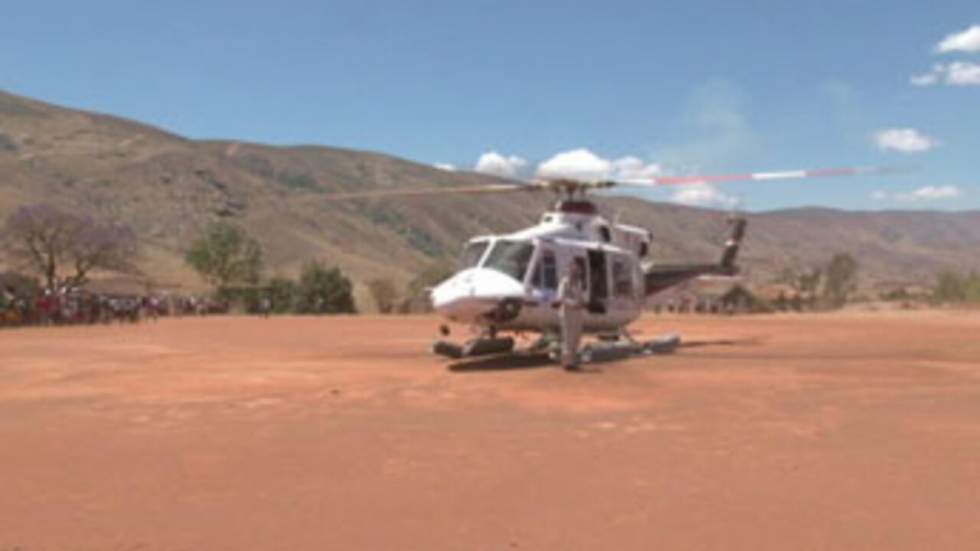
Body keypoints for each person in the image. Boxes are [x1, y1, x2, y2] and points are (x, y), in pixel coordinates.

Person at [556, 260, 586, 371]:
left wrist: (582, 303)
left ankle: (573, 361)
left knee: (576, 337)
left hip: (578, 313)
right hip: (567, 312)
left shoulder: (579, 283)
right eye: (574, 269)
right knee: (568, 337)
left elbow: (581, 297)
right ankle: (567, 363)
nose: (576, 271)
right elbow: (561, 298)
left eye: (578, 269)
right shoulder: (564, 282)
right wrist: (573, 303)